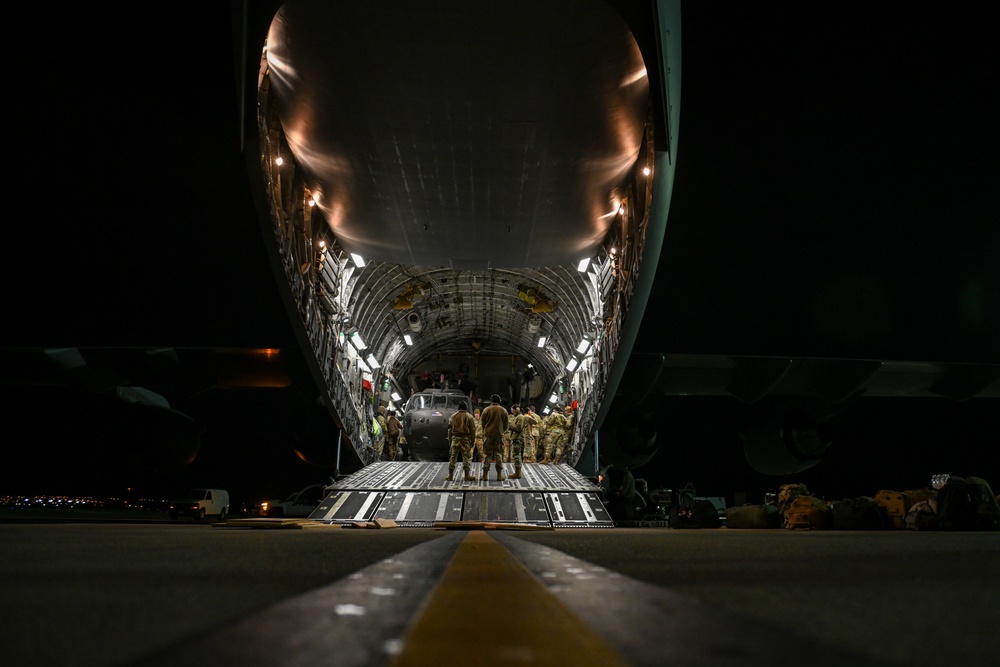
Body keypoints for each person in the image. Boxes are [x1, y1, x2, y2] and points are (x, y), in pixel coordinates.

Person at [479, 393, 509, 481]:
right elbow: (506, 425)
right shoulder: (504, 410)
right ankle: (499, 475)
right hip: (499, 435)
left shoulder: (486, 410)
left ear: (491, 401)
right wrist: (501, 431)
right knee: (499, 455)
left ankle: (484, 475)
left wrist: (486, 430)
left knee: (487, 455)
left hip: (488, 435)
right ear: (499, 401)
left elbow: (482, 423)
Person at [445, 401, 476, 482]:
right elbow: (472, 430)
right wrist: (472, 441)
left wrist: (450, 439)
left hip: (455, 439)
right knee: (466, 457)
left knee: (452, 457)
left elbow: (449, 430)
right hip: (465, 439)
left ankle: (450, 475)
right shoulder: (469, 417)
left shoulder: (453, 416)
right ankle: (467, 475)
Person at [507, 404, 525, 479]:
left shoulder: (520, 417)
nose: (512, 412)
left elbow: (518, 428)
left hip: (518, 439)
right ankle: (517, 472)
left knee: (517, 456)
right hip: (516, 438)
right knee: (516, 456)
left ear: (517, 409)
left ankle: (518, 473)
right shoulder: (517, 417)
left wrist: (509, 425)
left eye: (513, 410)